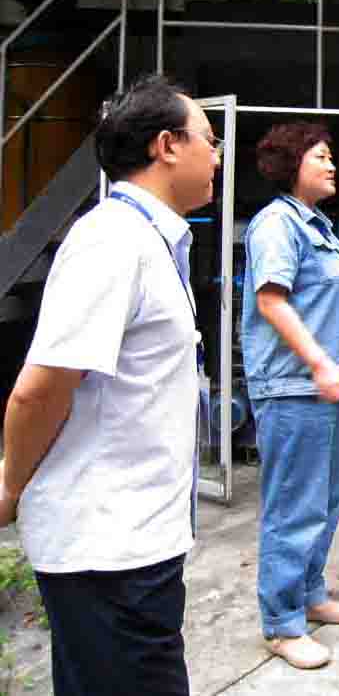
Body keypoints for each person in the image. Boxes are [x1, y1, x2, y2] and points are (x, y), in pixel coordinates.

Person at [0, 74, 220, 696]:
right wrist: (10, 486)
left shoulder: (146, 240)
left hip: (134, 545)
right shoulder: (112, 242)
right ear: (167, 145)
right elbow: (41, 389)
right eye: (210, 139)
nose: (217, 155)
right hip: (107, 555)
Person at [242, 121, 339, 669]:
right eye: (320, 157)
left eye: (331, 156)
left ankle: (310, 594)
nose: (332, 165)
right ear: (292, 165)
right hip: (294, 387)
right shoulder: (276, 224)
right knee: (294, 507)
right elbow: (272, 301)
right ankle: (281, 623)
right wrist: (318, 364)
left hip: (326, 385)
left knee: (326, 500)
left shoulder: (318, 225)